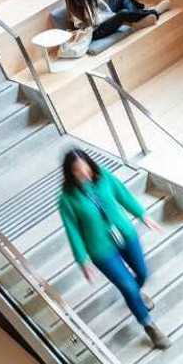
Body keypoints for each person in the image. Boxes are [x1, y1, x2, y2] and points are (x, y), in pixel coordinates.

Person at [58, 148, 168, 347]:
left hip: (125, 234)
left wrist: (143, 215)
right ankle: (150, 326)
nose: (84, 174)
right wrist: (82, 259)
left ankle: (136, 294)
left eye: (86, 169)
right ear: (70, 173)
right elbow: (72, 230)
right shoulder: (67, 199)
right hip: (100, 249)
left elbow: (123, 195)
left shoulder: (103, 176)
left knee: (142, 273)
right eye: (78, 171)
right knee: (127, 286)